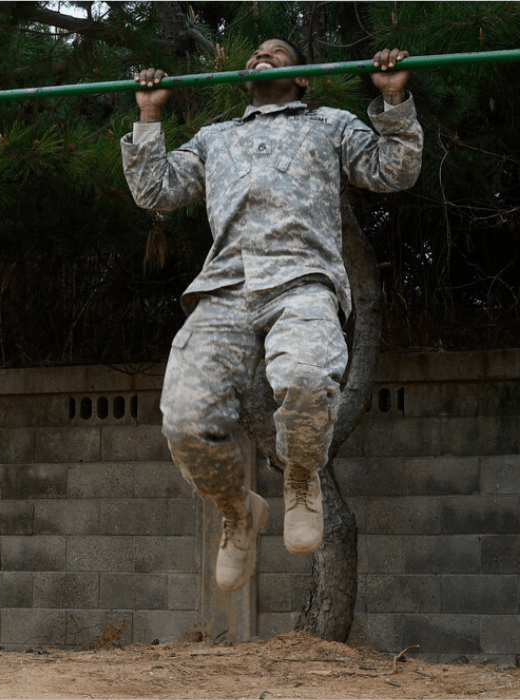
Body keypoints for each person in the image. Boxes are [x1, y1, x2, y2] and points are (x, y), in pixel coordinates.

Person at [122, 40, 422, 592]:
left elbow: (394, 172)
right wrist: (150, 114)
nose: (262, 53)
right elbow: (153, 190)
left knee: (307, 378)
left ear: (303, 77)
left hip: (302, 280)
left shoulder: (329, 124)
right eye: (256, 51)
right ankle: (239, 511)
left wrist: (394, 99)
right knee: (185, 422)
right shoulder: (217, 138)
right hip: (225, 289)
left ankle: (302, 475)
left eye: (278, 51)